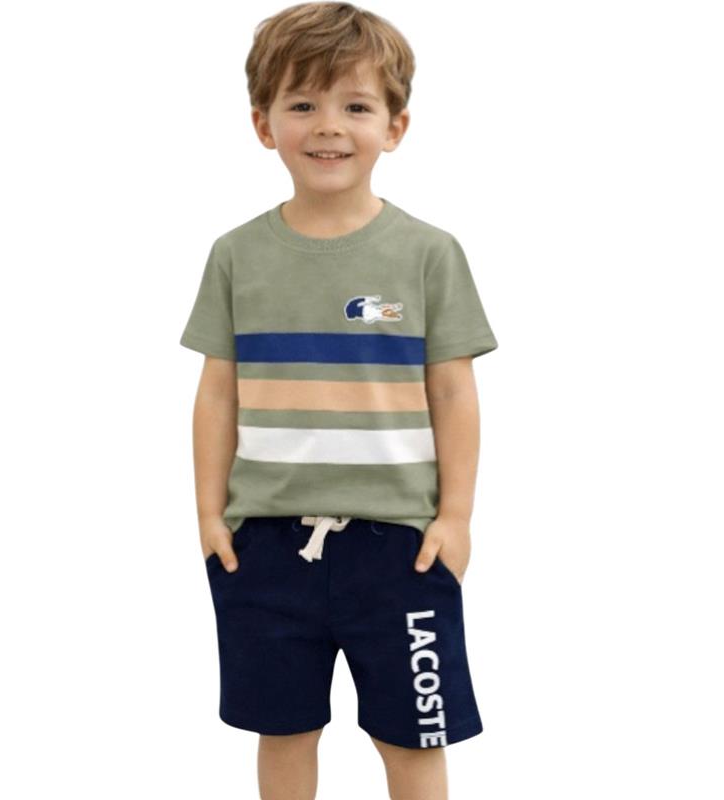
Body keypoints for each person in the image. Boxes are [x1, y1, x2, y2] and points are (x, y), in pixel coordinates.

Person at [179, 3, 499, 798]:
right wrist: (211, 516)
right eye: (302, 103)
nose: (328, 126)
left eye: (355, 106)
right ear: (263, 124)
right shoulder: (235, 255)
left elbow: (453, 391)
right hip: (263, 547)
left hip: (403, 549)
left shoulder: (429, 254)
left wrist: (455, 519)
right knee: (284, 730)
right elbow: (217, 392)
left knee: (413, 738)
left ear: (395, 126)